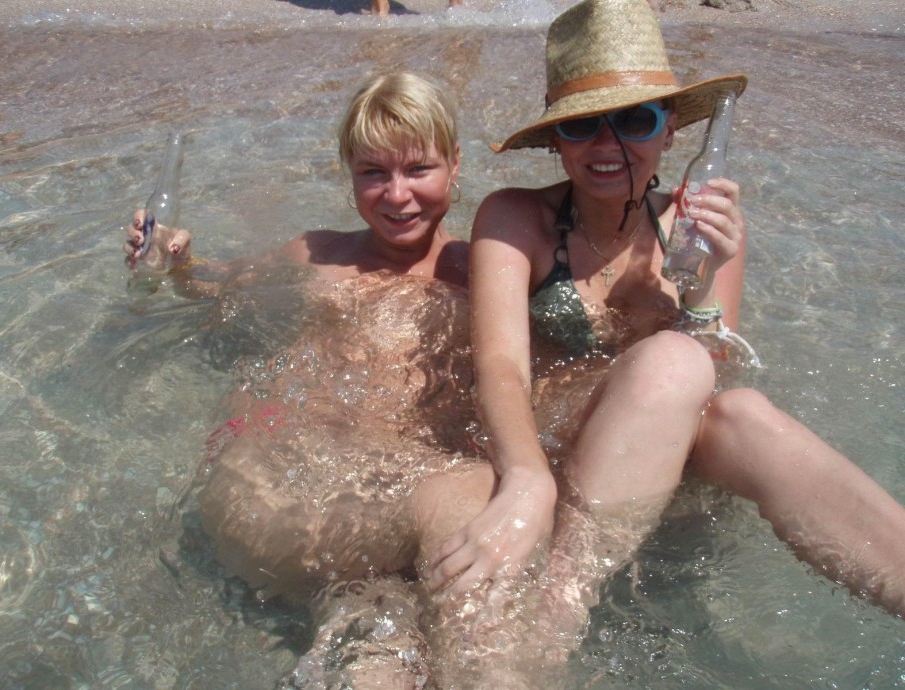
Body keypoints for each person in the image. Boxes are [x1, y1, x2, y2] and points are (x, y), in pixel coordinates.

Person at [425, 0, 905, 639]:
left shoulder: (700, 227)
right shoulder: (517, 219)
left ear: (670, 128)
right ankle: (558, 610)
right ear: (557, 142)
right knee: (681, 364)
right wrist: (526, 478)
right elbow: (500, 361)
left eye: (634, 119)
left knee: (743, 412)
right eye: (583, 126)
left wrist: (704, 280)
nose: (608, 145)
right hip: (555, 444)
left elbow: (716, 365)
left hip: (655, 449)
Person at [124, 71, 509, 689]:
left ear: (456, 165)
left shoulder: (484, 272)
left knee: (380, 647)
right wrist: (176, 258)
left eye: (419, 169)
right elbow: (211, 286)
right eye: (373, 172)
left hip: (391, 517)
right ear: (348, 173)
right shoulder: (315, 254)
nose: (397, 194)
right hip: (280, 487)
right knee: (475, 492)